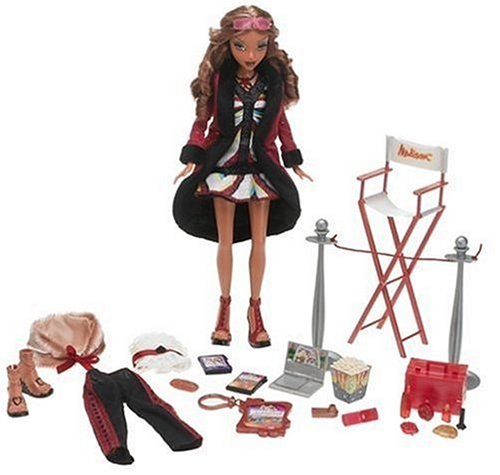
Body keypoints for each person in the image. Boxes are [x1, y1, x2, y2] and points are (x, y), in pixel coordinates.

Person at [173, 5, 312, 348]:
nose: (251, 55)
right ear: (228, 45)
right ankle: (224, 308)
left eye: (259, 47)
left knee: (259, 244)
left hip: (261, 169)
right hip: (224, 167)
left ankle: (255, 309)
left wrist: (292, 157)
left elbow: (280, 122)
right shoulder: (220, 80)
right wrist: (192, 154)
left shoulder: (271, 81)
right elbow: (202, 120)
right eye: (241, 46)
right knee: (225, 244)